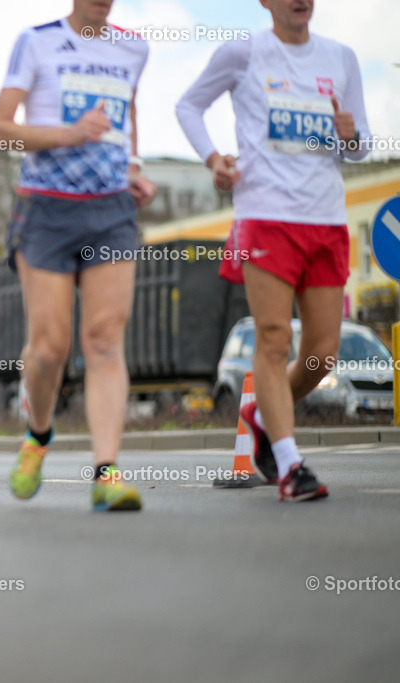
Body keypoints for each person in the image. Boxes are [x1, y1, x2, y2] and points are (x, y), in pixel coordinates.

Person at [176, 0, 369, 502]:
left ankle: (260, 413)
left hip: (325, 219)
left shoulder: (341, 58)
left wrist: (352, 137)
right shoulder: (243, 53)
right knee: (274, 335)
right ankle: (289, 464)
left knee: (322, 355)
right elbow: (188, 105)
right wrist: (213, 159)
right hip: (265, 216)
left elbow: (360, 145)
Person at [0, 0, 156, 510]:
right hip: (46, 209)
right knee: (49, 349)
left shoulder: (133, 47)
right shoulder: (36, 40)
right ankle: (38, 436)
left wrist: (132, 166)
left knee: (105, 339)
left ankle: (106, 474)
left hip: (110, 210)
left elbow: (125, 117)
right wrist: (68, 134)